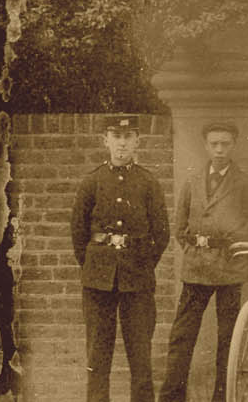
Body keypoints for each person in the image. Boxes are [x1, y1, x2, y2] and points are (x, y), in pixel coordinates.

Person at [160, 120, 248, 402]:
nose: (219, 150)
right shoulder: (193, 181)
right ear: (206, 146)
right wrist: (196, 249)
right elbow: (180, 226)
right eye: (214, 144)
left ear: (234, 145)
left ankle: (222, 397)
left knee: (228, 340)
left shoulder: (245, 184)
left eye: (225, 144)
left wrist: (241, 261)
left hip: (230, 269)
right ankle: (172, 397)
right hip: (196, 268)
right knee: (182, 337)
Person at [70, 114, 169, 402]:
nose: (122, 144)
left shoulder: (148, 183)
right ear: (106, 141)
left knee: (140, 355)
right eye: (116, 137)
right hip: (98, 280)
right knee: (97, 356)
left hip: (137, 280)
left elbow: (161, 234)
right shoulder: (92, 181)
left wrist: (142, 263)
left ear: (138, 141)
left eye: (128, 137)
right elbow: (78, 233)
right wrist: (93, 265)